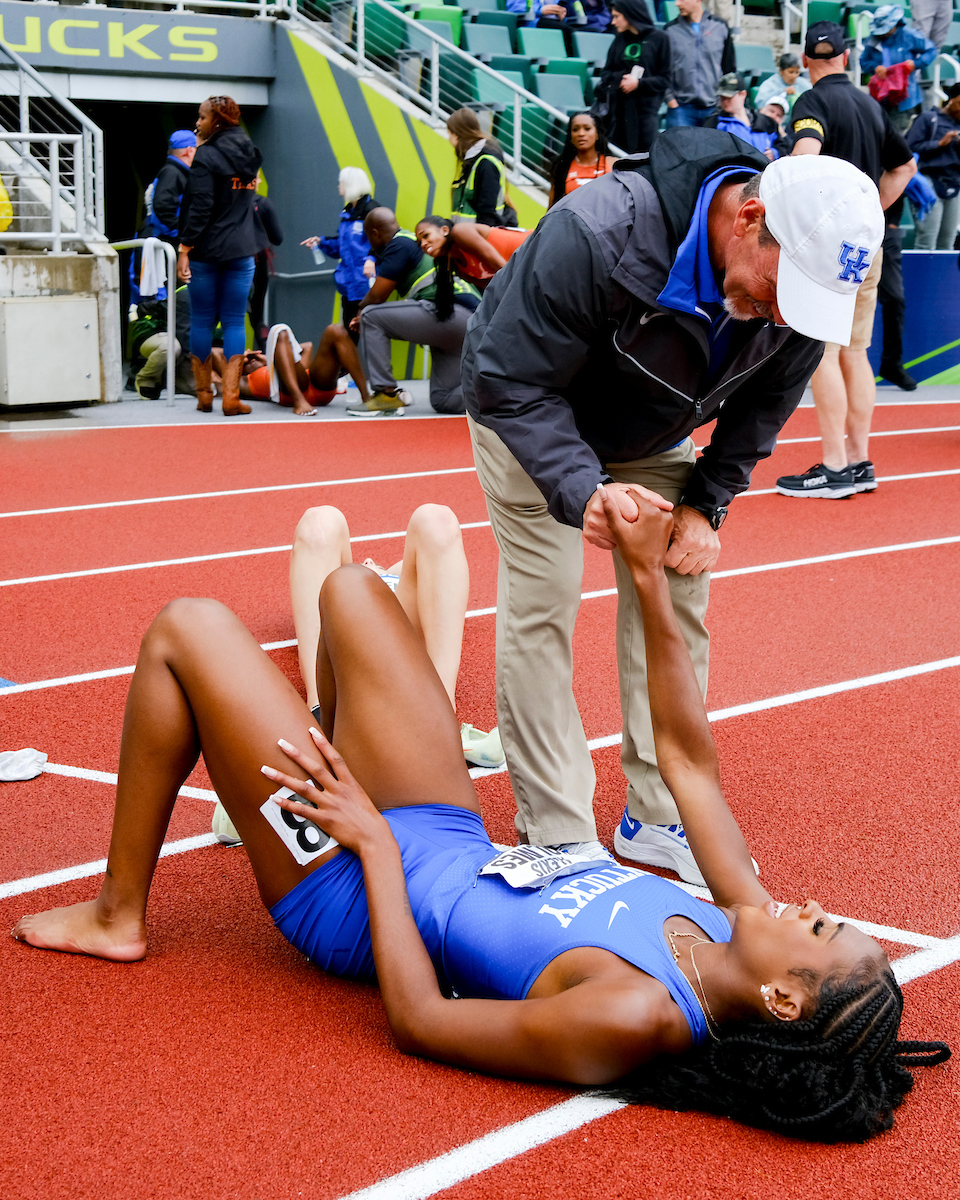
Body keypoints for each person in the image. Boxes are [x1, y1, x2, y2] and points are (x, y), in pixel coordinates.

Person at [11, 500, 949, 1140]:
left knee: (188, 625)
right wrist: (646, 578)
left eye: (819, 929)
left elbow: (418, 1021)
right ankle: (298, 743)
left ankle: (116, 916)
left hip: (345, 885)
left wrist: (367, 837)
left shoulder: (636, 1015)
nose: (809, 904)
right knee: (351, 593)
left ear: (784, 999)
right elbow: (689, 761)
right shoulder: (730, 920)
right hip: (448, 830)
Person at [461, 129, 883, 878]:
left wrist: (707, 503)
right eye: (781, 293)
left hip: (651, 429)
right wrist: (580, 489)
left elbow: (762, 410)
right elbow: (508, 377)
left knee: (680, 584)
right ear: (749, 217)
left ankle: (656, 814)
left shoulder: (795, 308)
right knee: (545, 595)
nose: (783, 317)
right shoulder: (598, 230)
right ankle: (557, 830)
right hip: (532, 408)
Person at [776, 22, 916, 500]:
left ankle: (833, 465)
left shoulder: (812, 102)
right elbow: (905, 165)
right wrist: (871, 211)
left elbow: (803, 157)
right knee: (855, 352)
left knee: (824, 353)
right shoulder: (869, 103)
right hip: (865, 242)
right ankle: (859, 461)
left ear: (807, 60)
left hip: (827, 246)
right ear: (846, 54)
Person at [347, 207, 481, 417]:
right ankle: (504, 397)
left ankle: (386, 395)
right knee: (443, 399)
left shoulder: (399, 243)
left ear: (374, 233)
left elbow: (378, 295)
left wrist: (359, 313)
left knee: (371, 316)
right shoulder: (411, 241)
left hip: (453, 314)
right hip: (466, 325)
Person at [177, 95, 263, 418]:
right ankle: (231, 398)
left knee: (201, 320)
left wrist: (184, 248)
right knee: (233, 321)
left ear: (217, 121)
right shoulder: (251, 153)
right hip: (242, 251)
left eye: (201, 118)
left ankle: (204, 396)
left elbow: (200, 208)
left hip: (207, 251)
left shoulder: (206, 156)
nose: (196, 123)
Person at [209, 322, 370, 416]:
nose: (251, 362)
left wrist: (270, 358)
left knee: (336, 330)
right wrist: (241, 359)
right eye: (247, 364)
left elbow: (307, 347)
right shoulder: (242, 381)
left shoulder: (274, 359)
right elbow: (214, 353)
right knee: (278, 330)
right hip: (289, 394)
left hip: (313, 385)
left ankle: (367, 397)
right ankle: (299, 401)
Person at [301, 167, 379, 332]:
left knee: (370, 333)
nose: (338, 186)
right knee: (349, 336)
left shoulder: (373, 210)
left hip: (367, 285)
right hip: (349, 287)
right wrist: (320, 242)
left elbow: (385, 242)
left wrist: (372, 259)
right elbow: (342, 247)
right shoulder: (347, 213)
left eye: (341, 183)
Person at [595, 1, 671, 154]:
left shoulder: (660, 38)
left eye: (617, 16)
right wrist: (620, 79)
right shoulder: (619, 39)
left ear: (630, 14)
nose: (613, 22)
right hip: (618, 113)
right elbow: (606, 73)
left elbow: (665, 79)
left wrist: (638, 84)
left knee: (644, 162)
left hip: (645, 115)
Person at [860, 6, 936, 133]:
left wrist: (916, 64)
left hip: (904, 99)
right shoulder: (873, 39)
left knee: (897, 134)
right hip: (879, 96)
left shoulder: (910, 35)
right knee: (875, 132)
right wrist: (875, 67)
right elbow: (864, 61)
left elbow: (931, 50)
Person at [663, 0, 735, 129]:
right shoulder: (670, 30)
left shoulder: (720, 26)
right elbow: (662, 68)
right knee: (679, 149)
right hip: (680, 109)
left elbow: (729, 68)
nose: (677, 4)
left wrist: (722, 101)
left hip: (714, 109)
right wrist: (670, 99)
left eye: (682, 0)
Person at [905, 83, 960, 249]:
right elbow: (908, 148)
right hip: (928, 181)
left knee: (948, 242)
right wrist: (939, 143)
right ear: (951, 99)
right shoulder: (929, 118)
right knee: (926, 240)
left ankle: (943, 276)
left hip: (954, 183)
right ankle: (919, 276)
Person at [414, 216, 531, 291]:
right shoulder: (459, 269)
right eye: (419, 243)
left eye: (426, 235)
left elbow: (502, 268)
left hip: (535, 249)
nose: (423, 244)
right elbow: (495, 289)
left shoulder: (460, 231)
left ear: (444, 230)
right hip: (528, 272)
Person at [446, 109, 517, 227]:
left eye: (449, 134)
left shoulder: (486, 162)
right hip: (470, 236)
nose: (449, 139)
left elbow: (486, 210)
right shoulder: (475, 159)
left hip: (477, 236)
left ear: (457, 134)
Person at [129, 283, 193, 401]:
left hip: (179, 342)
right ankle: (147, 378)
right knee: (169, 347)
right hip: (156, 332)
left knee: (209, 388)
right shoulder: (186, 295)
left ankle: (171, 378)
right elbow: (184, 336)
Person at [704, 72, 788, 160]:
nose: (725, 101)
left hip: (766, 170)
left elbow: (784, 146)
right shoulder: (714, 123)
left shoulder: (765, 122)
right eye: (722, 97)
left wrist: (774, 153)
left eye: (729, 97)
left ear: (743, 94)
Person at [549, 112, 618, 206]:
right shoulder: (562, 167)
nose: (581, 133)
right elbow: (552, 208)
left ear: (597, 133)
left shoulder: (612, 164)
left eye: (587, 129)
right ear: (570, 135)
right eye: (575, 129)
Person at [140, 130, 196, 244]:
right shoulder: (173, 173)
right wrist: (183, 233)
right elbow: (163, 208)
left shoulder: (174, 171)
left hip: (158, 238)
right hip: (159, 240)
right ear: (189, 151)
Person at [250, 183, 283, 351]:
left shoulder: (226, 203)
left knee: (227, 317)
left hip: (228, 262)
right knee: (257, 316)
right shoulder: (262, 204)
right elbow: (277, 238)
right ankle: (267, 358)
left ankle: (216, 368)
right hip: (257, 263)